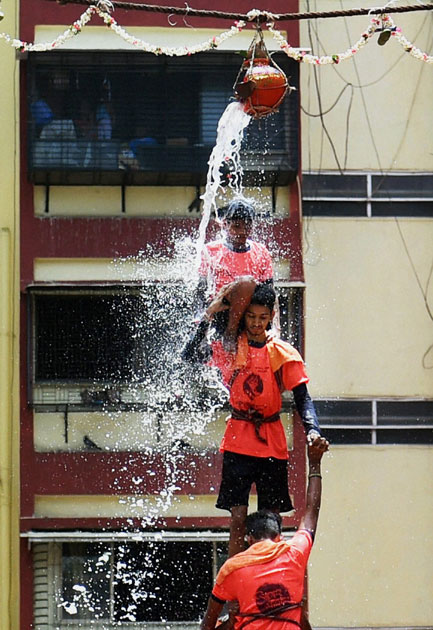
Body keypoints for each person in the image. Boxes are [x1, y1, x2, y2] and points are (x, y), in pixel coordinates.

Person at [185, 283, 324, 558]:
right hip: (238, 439)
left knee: (272, 521)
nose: (256, 323)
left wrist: (312, 430)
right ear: (242, 315)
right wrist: (210, 313)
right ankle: (236, 591)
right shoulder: (231, 347)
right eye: (250, 317)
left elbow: (303, 398)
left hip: (271, 439)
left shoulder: (283, 353)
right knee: (237, 519)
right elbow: (190, 354)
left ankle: (271, 569)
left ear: (271, 316)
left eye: (262, 317)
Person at [200, 439, 329, 630]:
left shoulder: (231, 568)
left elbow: (206, 627)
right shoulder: (294, 553)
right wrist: (315, 463)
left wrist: (232, 620)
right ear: (279, 537)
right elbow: (311, 512)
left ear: (249, 539)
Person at [183, 198, 274, 356]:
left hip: (250, 315)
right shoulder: (211, 251)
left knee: (247, 284)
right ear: (225, 224)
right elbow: (201, 290)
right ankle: (227, 334)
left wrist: (274, 328)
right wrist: (202, 319)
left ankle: (234, 334)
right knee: (189, 355)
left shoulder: (261, 252)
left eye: (247, 227)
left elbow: (270, 294)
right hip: (221, 312)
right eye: (236, 226)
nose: (241, 232)